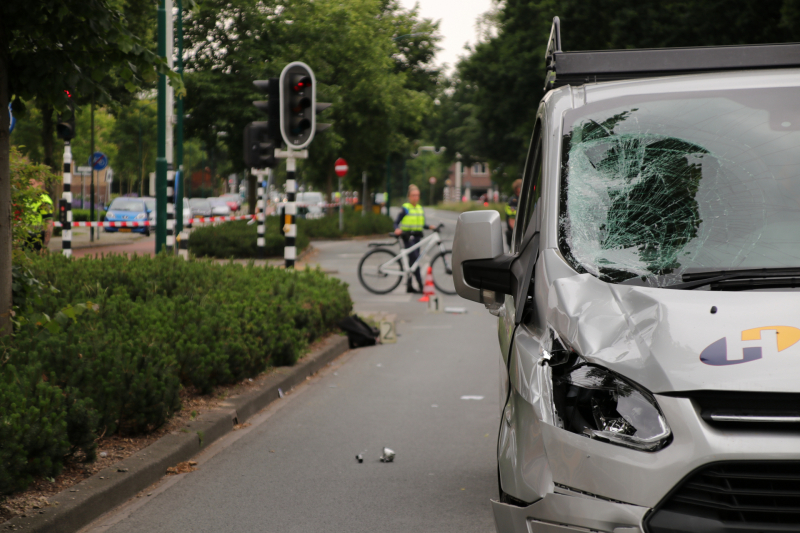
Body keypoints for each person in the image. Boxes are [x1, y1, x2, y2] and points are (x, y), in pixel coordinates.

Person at [394, 185, 429, 293]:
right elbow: (396, 222)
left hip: (417, 237)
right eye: (413, 195)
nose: (416, 197)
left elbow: (422, 224)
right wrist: (397, 229)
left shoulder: (420, 208)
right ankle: (421, 285)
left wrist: (431, 226)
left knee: (413, 262)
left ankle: (409, 285)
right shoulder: (405, 208)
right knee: (415, 259)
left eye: (417, 195)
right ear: (409, 196)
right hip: (408, 237)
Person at [505, 179, 522, 248]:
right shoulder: (514, 202)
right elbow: (512, 221)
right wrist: (519, 233)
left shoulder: (521, 199)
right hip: (515, 235)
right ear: (517, 189)